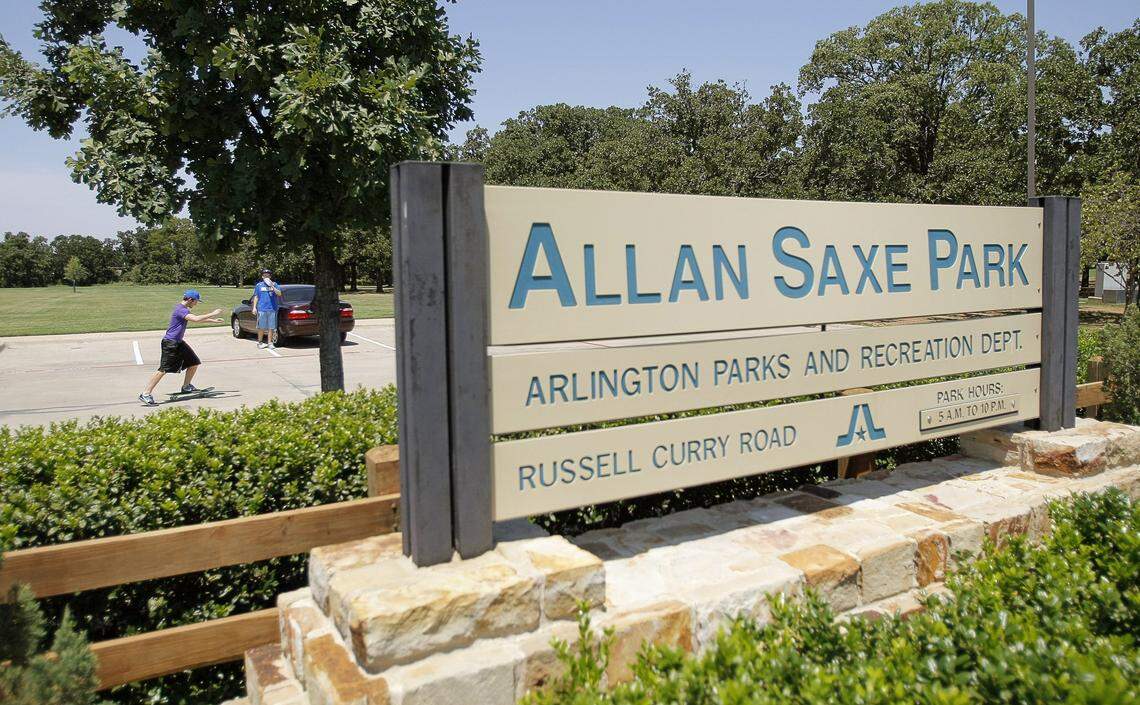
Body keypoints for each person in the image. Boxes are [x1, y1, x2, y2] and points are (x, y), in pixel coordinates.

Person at [138, 290, 222, 406]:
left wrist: (213, 321)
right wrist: (213, 313)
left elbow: (194, 318)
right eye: (196, 301)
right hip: (170, 344)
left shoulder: (184, 310)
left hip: (178, 342)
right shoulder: (180, 310)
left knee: (194, 362)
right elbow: (196, 319)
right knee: (163, 370)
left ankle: (186, 386)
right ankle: (145, 393)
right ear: (190, 300)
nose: (196, 304)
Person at [252, 268, 283, 349]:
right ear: (262, 276)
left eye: (268, 275)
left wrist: (272, 286)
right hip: (262, 309)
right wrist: (254, 308)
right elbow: (256, 297)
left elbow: (279, 294)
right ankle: (260, 342)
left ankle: (270, 343)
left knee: (271, 327)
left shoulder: (275, 284)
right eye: (265, 275)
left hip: (272, 309)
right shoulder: (259, 285)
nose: (266, 276)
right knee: (261, 327)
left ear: (270, 276)